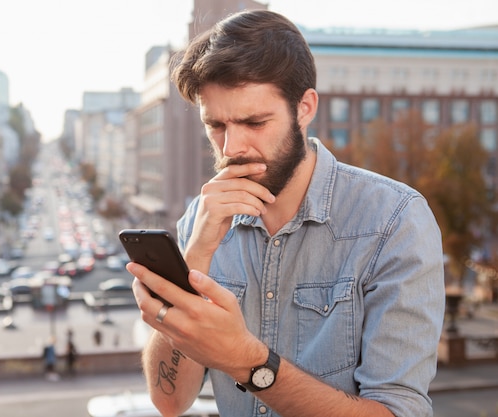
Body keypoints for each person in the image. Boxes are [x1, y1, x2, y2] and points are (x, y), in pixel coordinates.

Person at [128, 9, 445, 417]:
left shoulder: (394, 221)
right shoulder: (199, 220)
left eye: (254, 122)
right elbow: (169, 401)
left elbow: (399, 412)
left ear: (305, 107)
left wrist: (247, 361)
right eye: (216, 126)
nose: (231, 149)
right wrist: (196, 255)